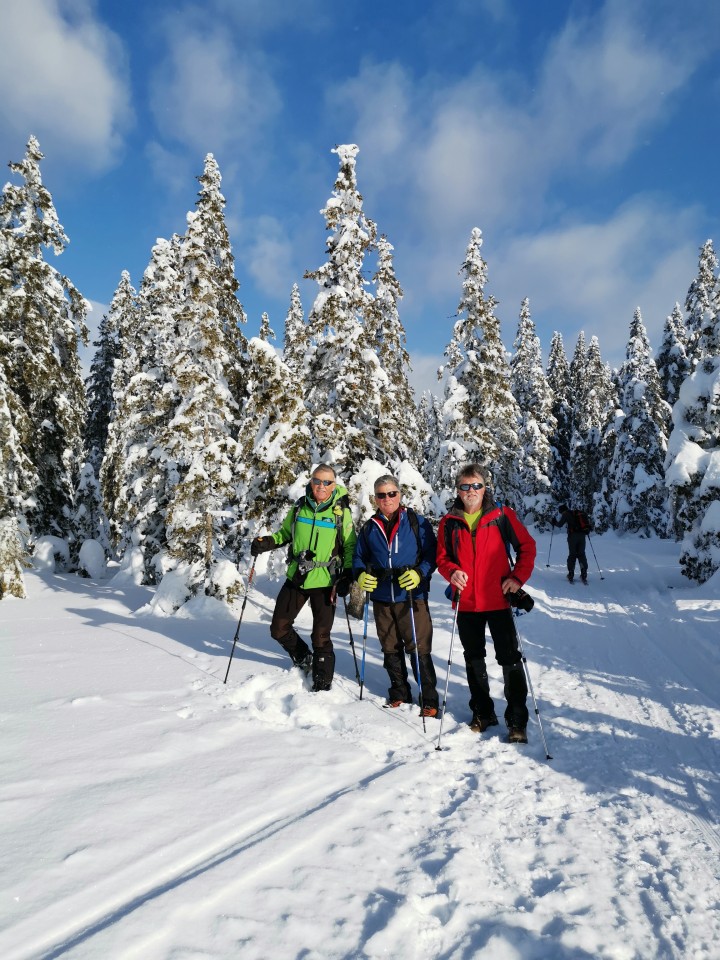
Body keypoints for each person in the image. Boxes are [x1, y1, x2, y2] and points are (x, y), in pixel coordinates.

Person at [436, 463, 537, 743]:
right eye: (465, 486)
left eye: (476, 486)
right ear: (458, 490)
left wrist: (517, 578)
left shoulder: (501, 515)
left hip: (499, 602)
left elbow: (527, 547)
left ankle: (516, 719)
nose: (471, 491)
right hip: (466, 602)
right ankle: (483, 712)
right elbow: (442, 558)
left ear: (485, 488)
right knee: (473, 659)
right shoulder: (449, 521)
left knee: (510, 659)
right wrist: (451, 572)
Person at [251, 463, 356, 692]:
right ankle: (303, 657)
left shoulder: (340, 512)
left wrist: (347, 574)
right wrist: (267, 542)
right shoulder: (300, 507)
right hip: (298, 576)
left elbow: (349, 545)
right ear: (311, 482)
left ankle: (322, 684)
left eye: (327, 482)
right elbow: (285, 533)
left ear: (334, 485)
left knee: (321, 635)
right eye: (317, 481)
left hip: (325, 580)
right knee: (278, 628)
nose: (321, 485)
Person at [352, 475, 439, 716]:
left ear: (399, 495)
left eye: (391, 493)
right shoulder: (370, 527)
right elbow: (358, 557)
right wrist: (360, 575)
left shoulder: (415, 522)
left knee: (418, 648)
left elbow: (433, 555)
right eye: (381, 495)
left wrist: (419, 574)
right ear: (375, 498)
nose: (387, 498)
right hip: (381, 597)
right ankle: (399, 692)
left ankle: (429, 700)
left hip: (411, 596)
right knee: (390, 647)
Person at [553, 504, 589, 584]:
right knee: (581, 554)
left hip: (573, 536)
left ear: (562, 511)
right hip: (582, 536)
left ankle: (571, 574)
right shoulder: (576, 513)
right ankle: (584, 574)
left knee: (572, 554)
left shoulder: (566, 514)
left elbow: (560, 524)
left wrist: (554, 522)